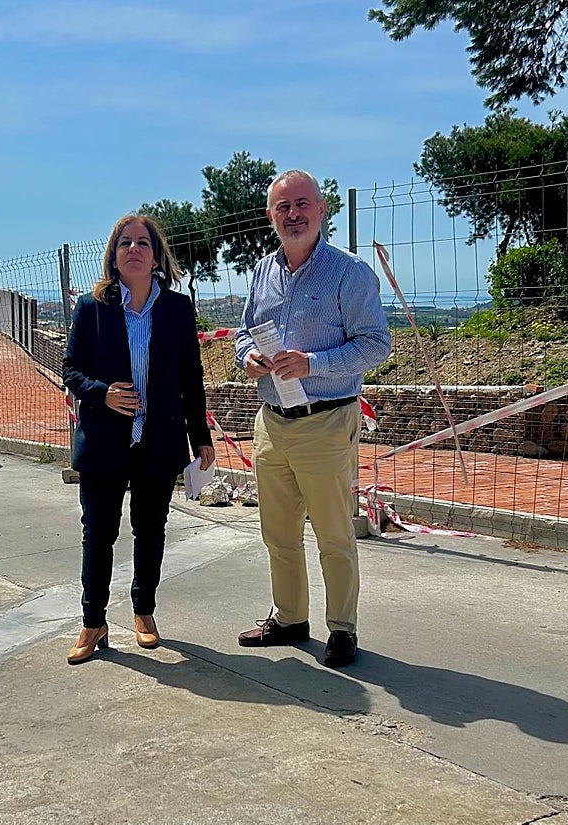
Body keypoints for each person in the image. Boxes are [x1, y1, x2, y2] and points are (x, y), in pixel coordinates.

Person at [234, 170, 391, 667]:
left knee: (333, 536)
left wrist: (313, 364)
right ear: (270, 216)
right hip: (272, 422)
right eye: (283, 207)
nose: (293, 214)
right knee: (277, 533)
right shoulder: (262, 272)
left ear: (322, 210)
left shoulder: (350, 273)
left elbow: (377, 344)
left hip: (326, 421)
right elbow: (242, 335)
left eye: (302, 204)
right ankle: (290, 618)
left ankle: (343, 630)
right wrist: (247, 360)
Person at [62, 214, 216, 665]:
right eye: (125, 242)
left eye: (143, 242)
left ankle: (143, 612)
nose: (134, 249)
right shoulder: (92, 309)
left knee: (150, 530)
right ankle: (93, 622)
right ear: (114, 254)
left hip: (159, 441)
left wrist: (200, 436)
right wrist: (102, 393)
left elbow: (192, 376)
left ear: (156, 255)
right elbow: (71, 369)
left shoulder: (177, 309)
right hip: (105, 441)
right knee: (99, 534)